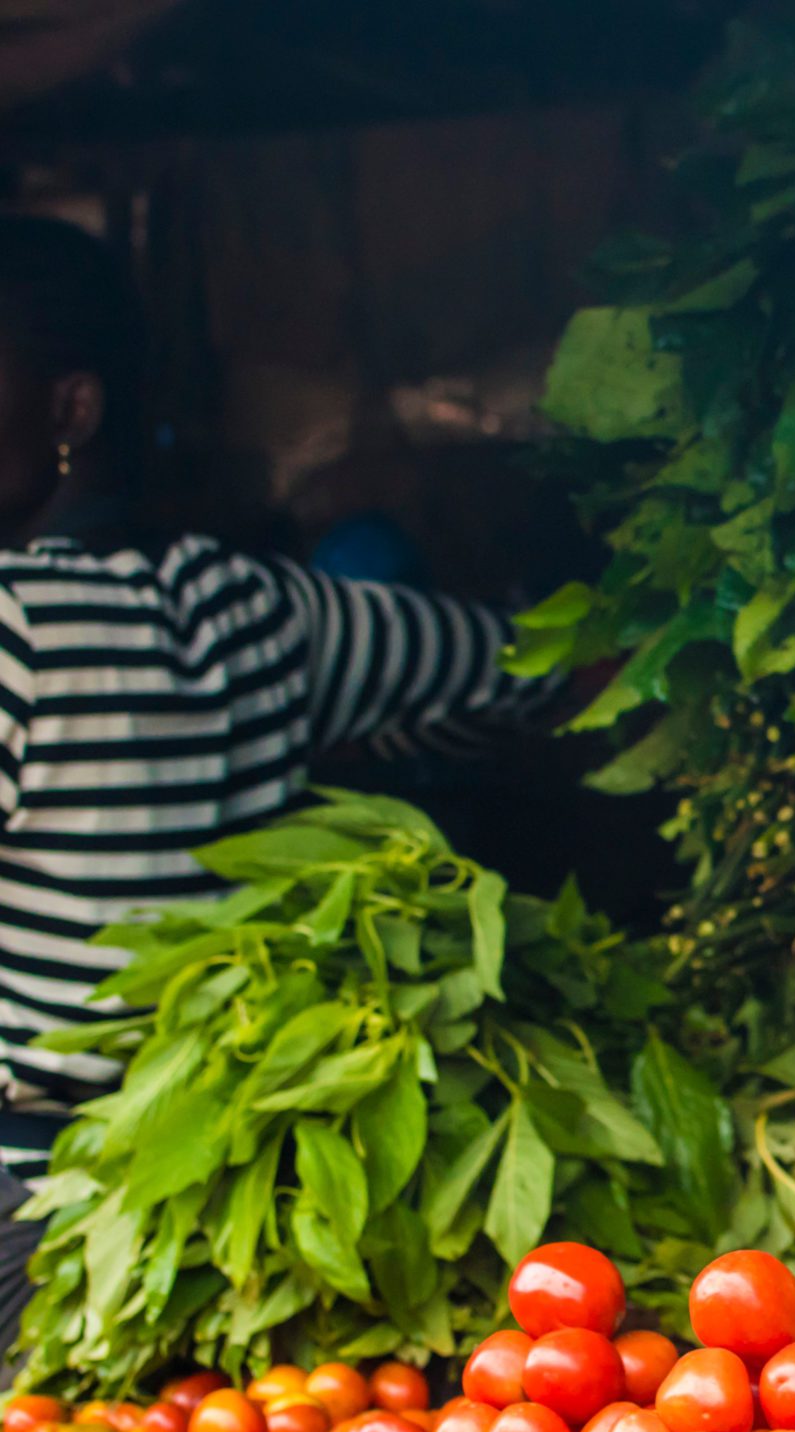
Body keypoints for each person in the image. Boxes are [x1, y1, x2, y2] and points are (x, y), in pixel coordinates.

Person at [0, 215, 557, 1347]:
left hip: (23, 1210)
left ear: (71, 411)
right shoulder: (261, 607)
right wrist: (371, 752)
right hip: (225, 1217)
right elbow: (532, 671)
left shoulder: (10, 625)